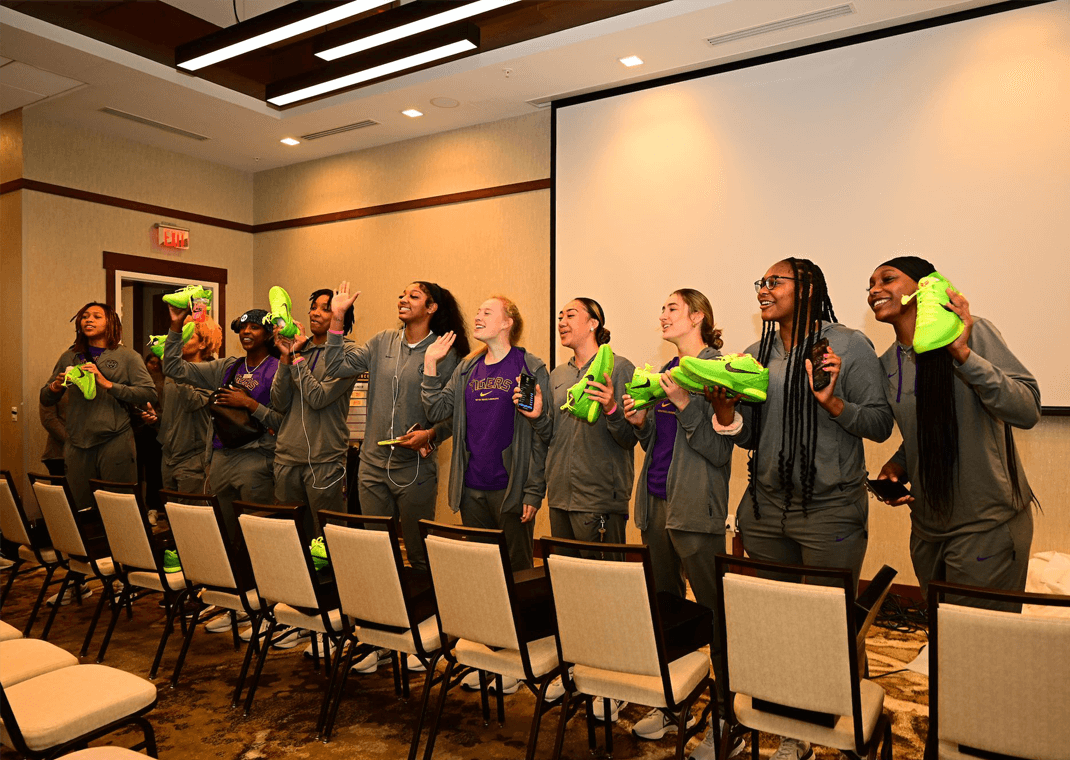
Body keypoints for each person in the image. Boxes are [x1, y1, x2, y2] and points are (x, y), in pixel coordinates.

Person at [710, 258, 892, 760]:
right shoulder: (754, 353)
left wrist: (833, 404)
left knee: (827, 629)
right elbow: (750, 433)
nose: (763, 290)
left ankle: (819, 728)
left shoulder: (849, 345)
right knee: (773, 624)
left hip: (830, 513)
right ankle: (786, 720)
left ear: (807, 287)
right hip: (766, 512)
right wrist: (725, 412)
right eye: (760, 283)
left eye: (774, 282)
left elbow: (879, 423)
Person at [867, 256, 1040, 610]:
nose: (874, 290)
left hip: (987, 527)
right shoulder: (887, 365)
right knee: (945, 644)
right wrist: (899, 464)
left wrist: (963, 354)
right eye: (869, 285)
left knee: (981, 651)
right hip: (927, 529)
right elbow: (924, 426)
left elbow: (1026, 409)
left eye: (887, 279)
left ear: (924, 287)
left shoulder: (973, 333)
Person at [324, 280, 469, 674]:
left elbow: (454, 412)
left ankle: (424, 638)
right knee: (376, 554)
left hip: (415, 469)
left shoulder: (445, 351)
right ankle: (379, 639)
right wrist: (337, 318)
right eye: (401, 294)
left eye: (414, 296)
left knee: (418, 555)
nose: (403, 299)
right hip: (371, 467)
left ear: (433, 307)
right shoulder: (381, 342)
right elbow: (335, 366)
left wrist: (432, 435)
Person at [620, 289, 734, 753]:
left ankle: (726, 721)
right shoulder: (665, 373)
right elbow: (657, 446)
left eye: (671, 308)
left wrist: (687, 405)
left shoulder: (721, 370)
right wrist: (641, 422)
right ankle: (672, 704)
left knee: (715, 616)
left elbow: (720, 449)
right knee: (667, 608)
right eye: (662, 307)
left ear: (698, 316)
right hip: (656, 503)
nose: (662, 315)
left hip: (696, 509)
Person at [517, 298, 637, 555]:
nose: (561, 322)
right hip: (560, 498)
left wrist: (611, 408)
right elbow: (552, 437)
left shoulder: (620, 368)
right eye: (560, 317)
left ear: (593, 323)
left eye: (570, 315)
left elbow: (630, 438)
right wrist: (537, 416)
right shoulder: (558, 375)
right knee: (566, 583)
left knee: (602, 585)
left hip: (600, 500)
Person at [161, 304, 281, 541]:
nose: (246, 331)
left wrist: (248, 404)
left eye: (254, 327)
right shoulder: (229, 366)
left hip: (257, 460)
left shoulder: (279, 369)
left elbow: (283, 422)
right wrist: (176, 326)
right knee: (223, 535)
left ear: (268, 334)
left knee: (258, 534)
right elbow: (173, 367)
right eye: (243, 327)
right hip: (220, 459)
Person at [40, 302, 156, 511]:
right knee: (80, 508)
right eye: (85, 316)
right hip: (77, 443)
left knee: (119, 507)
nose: (89, 320)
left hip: (115, 440)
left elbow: (148, 393)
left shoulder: (128, 357)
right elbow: (45, 398)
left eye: (96, 316)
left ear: (110, 323)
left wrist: (108, 384)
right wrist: (56, 386)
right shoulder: (69, 356)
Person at [271, 289, 359, 538]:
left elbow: (318, 398)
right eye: (313, 307)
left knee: (328, 536)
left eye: (325, 308)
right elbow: (279, 402)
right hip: (287, 457)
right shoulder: (299, 348)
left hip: (324, 460)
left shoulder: (348, 354)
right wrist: (286, 357)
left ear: (341, 315)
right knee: (291, 536)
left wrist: (296, 358)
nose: (315, 313)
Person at [140, 316, 221, 496]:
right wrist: (155, 419)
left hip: (194, 460)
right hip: (168, 457)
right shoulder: (170, 375)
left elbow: (192, 402)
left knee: (191, 519)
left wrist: (176, 369)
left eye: (188, 336)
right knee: (171, 515)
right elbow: (174, 417)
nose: (180, 340)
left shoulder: (212, 375)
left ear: (202, 344)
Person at [134, 350, 165, 524]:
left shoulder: (165, 380)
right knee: (138, 472)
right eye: (150, 362)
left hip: (158, 432)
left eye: (157, 363)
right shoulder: (141, 379)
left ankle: (154, 507)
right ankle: (140, 507)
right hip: (140, 430)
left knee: (154, 472)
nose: (153, 366)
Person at [39, 394, 68, 477]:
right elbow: (48, 420)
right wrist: (73, 442)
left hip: (89, 456)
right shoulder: (52, 387)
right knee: (61, 489)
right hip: (59, 454)